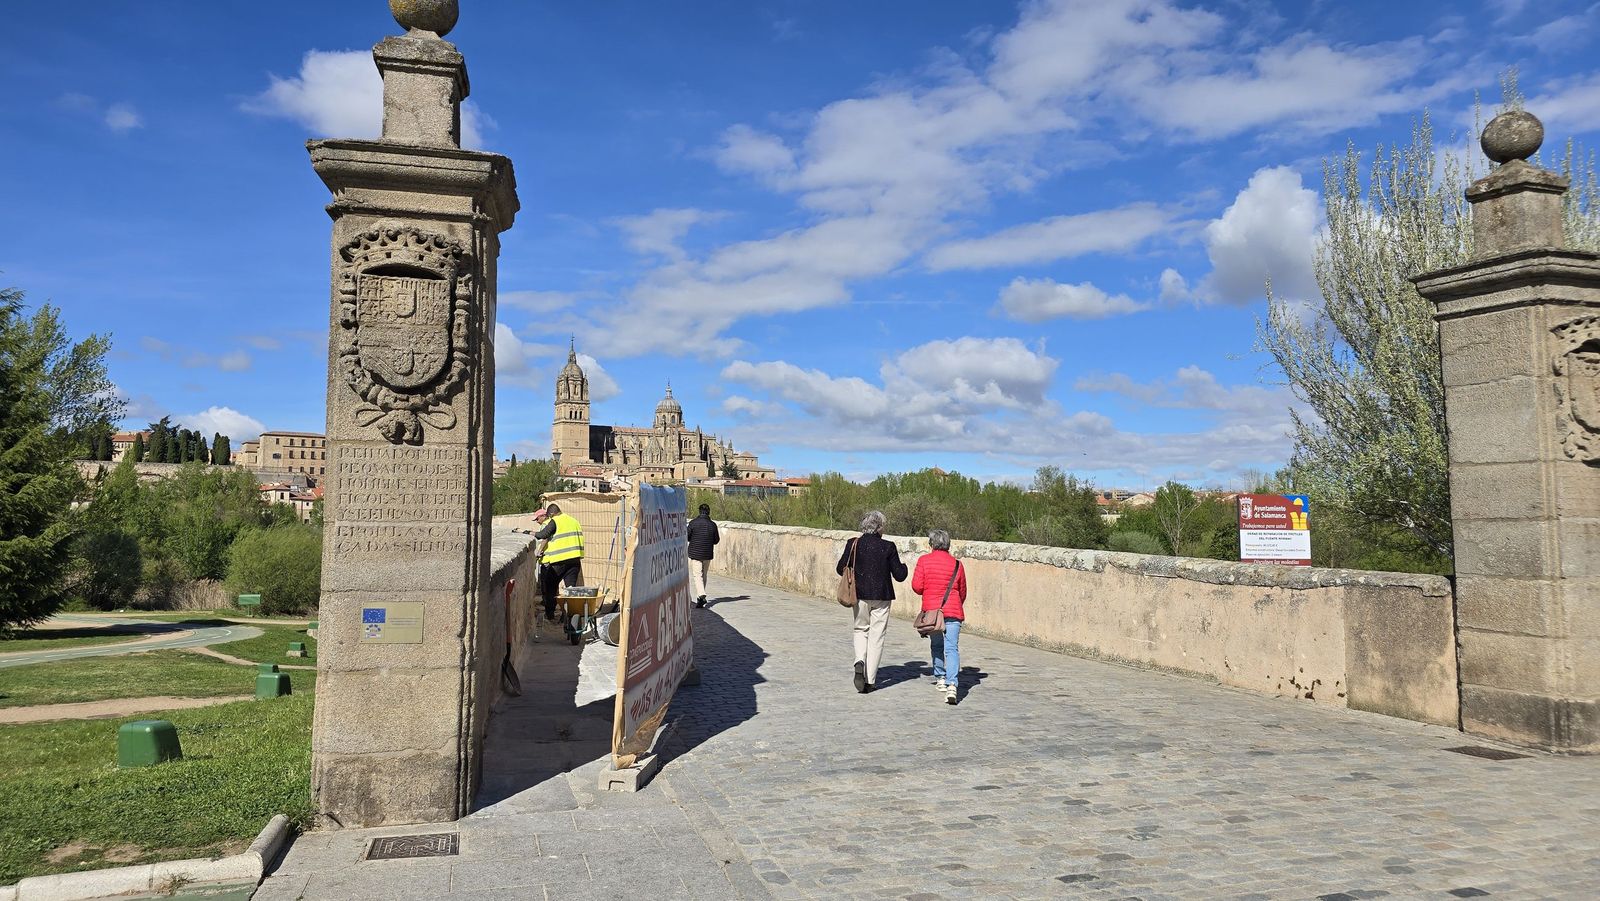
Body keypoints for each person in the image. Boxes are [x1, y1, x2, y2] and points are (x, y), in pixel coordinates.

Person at [836, 510, 906, 694]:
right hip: (882, 596)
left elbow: (840, 568)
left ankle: (859, 660)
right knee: (877, 636)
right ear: (879, 527)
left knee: (860, 629)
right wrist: (904, 566)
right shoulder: (888, 546)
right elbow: (900, 575)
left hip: (859, 595)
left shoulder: (853, 543)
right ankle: (870, 680)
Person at [911, 529, 967, 705]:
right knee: (952, 648)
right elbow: (963, 591)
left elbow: (917, 586)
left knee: (936, 645)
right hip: (953, 610)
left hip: (933, 612)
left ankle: (940, 678)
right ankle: (953, 685)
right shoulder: (957, 564)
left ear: (931, 544)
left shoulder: (924, 561)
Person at [534, 502, 585, 621]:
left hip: (559, 562)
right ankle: (568, 616)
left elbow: (543, 535)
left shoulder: (555, 521)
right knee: (570, 590)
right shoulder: (574, 521)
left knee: (550, 588)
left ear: (552, 514)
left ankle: (550, 615)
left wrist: (527, 532)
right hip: (574, 561)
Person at [686, 503, 720, 608]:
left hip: (695, 553)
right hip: (707, 553)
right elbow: (716, 540)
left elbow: (687, 536)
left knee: (697, 575)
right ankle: (700, 599)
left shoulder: (693, 523)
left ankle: (701, 594)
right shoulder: (712, 525)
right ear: (708, 512)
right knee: (704, 575)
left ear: (699, 511)